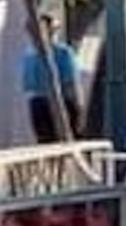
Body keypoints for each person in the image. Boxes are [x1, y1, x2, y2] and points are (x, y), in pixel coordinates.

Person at [22, 12, 84, 144]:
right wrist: (78, 107)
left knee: (46, 142)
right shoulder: (63, 52)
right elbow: (71, 83)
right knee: (65, 142)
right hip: (58, 101)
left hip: (42, 103)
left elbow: (29, 87)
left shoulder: (29, 56)